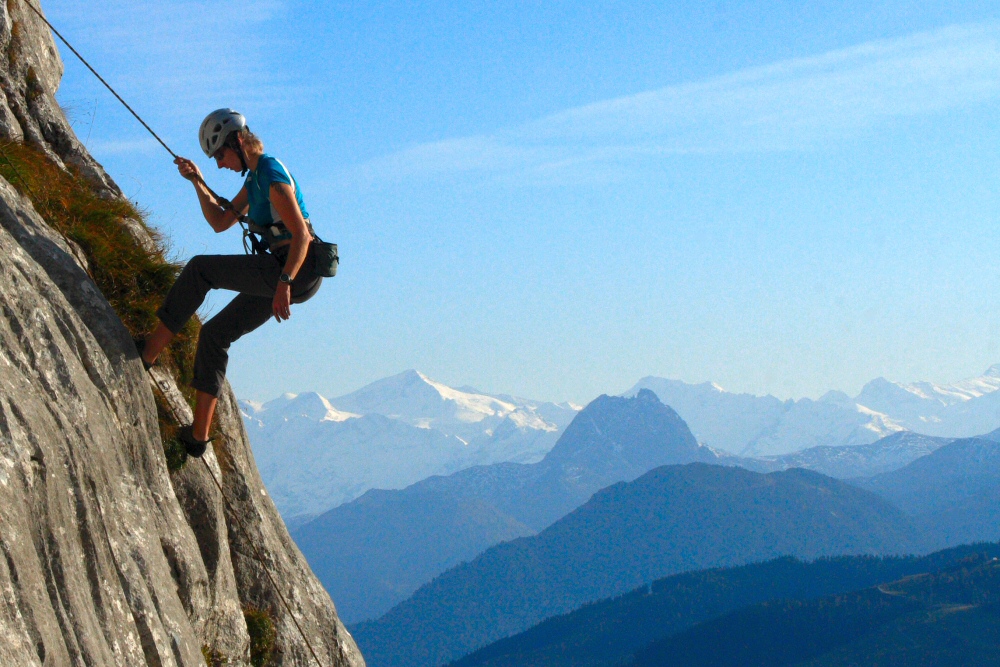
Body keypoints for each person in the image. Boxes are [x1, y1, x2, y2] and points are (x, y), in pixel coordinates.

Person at [138, 109, 322, 457]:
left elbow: (300, 235)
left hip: (292, 268)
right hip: (289, 273)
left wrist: (284, 282)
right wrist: (197, 181)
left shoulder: (268, 173)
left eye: (220, 154)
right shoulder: (253, 180)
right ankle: (198, 436)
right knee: (215, 335)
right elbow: (220, 222)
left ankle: (147, 353)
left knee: (199, 270)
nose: (220, 164)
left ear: (238, 141)